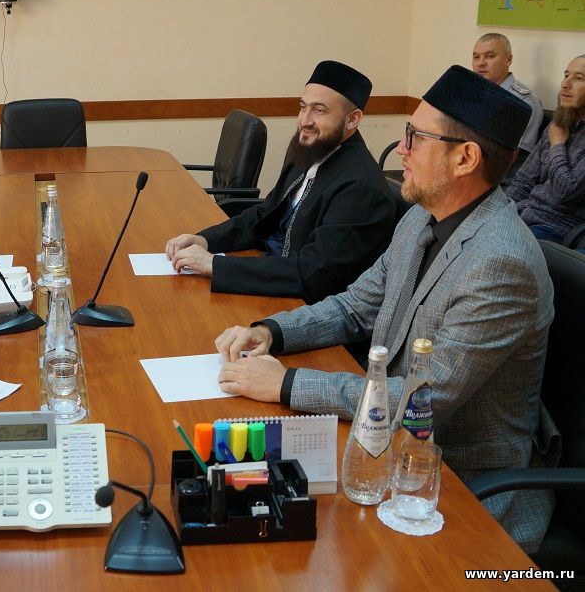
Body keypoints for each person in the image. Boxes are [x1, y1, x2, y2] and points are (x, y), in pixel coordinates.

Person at [214, 65, 554, 553]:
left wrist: (286, 384)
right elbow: (356, 306)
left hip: (455, 484)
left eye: (416, 137)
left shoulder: (501, 264)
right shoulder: (420, 218)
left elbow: (425, 402)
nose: (401, 150)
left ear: (465, 158)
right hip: (384, 446)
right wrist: (271, 332)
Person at [165, 61, 396, 304]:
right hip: (271, 277)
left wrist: (216, 265)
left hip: (301, 304)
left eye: (319, 111)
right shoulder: (310, 149)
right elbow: (266, 213)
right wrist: (206, 240)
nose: (305, 121)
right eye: (303, 107)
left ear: (352, 119)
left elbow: (313, 273)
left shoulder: (361, 187)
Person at [504, 54, 585, 244]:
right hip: (524, 213)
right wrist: (500, 211)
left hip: (555, 227)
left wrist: (557, 145)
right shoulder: (557, 125)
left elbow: (566, 190)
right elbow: (523, 180)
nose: (566, 84)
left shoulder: (556, 135)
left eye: (579, 78)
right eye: (566, 75)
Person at [471, 33, 545, 160]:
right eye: (476, 57)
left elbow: (509, 156)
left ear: (509, 60)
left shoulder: (524, 101)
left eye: (490, 56)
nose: (481, 63)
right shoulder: (469, 91)